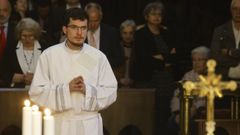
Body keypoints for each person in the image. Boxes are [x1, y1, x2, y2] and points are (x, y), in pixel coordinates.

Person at [29, 8, 117, 135]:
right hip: (60, 124)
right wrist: (67, 89)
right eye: (74, 27)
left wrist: (87, 90)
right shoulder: (50, 55)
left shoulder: (96, 57)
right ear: (65, 29)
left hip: (89, 125)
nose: (79, 33)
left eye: (83, 28)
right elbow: (36, 92)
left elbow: (111, 91)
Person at [167, 46, 210, 135]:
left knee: (190, 123)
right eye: (194, 60)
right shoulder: (188, 75)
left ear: (207, 61)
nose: (196, 63)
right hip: (185, 110)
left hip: (202, 112)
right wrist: (178, 112)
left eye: (199, 60)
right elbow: (177, 95)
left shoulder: (212, 76)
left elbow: (207, 98)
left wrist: (194, 109)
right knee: (171, 121)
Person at [1, 18, 48, 88]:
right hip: (17, 90)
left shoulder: (45, 49)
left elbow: (51, 71)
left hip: (41, 89)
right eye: (24, 36)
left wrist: (35, 78)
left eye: (30, 36)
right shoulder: (11, 49)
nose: (27, 39)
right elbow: (3, 72)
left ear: (35, 35)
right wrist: (21, 78)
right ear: (19, 35)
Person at [84, 2, 125, 70]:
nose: (93, 24)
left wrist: (101, 65)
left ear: (101, 18)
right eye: (90, 21)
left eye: (96, 21)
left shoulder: (111, 33)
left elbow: (119, 58)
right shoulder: (80, 32)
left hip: (105, 72)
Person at [211, 0, 240, 80]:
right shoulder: (219, 31)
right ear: (231, 10)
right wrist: (237, 63)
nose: (238, 12)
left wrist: (229, 52)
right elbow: (215, 55)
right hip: (225, 78)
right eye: (235, 9)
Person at [118, 19, 136, 87]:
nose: (128, 36)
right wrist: (119, 79)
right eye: (125, 33)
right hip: (118, 86)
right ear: (121, 33)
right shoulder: (116, 48)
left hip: (135, 86)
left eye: (131, 33)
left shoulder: (138, 49)